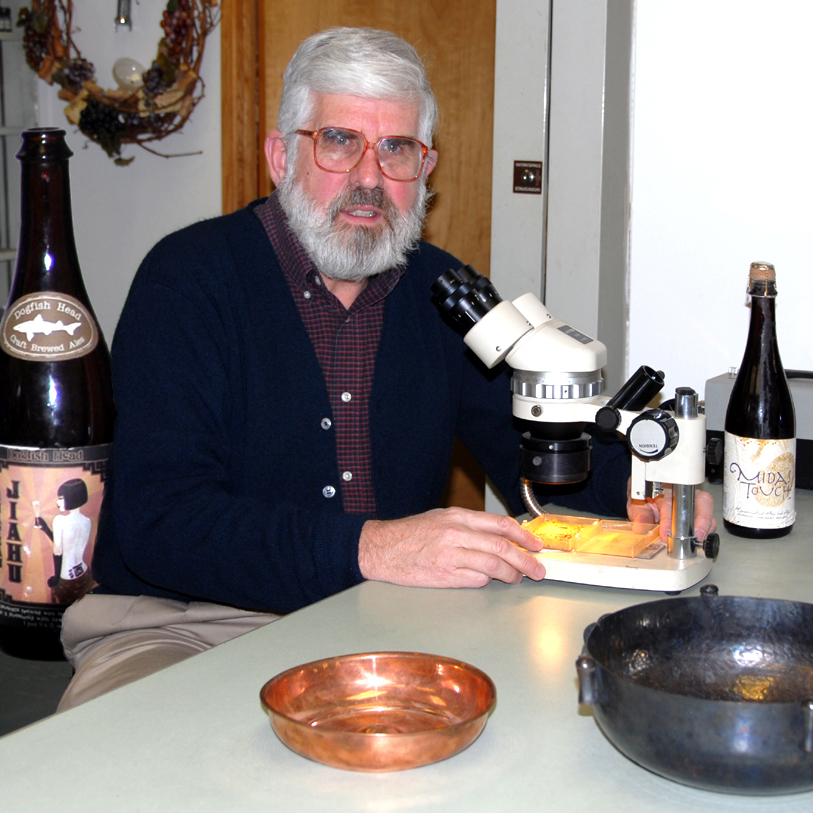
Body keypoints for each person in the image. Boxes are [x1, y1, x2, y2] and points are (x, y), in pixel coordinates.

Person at [57, 27, 716, 710]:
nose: (370, 178)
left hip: (389, 621)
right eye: (340, 141)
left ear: (424, 170)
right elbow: (160, 524)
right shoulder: (188, 282)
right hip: (188, 624)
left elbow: (537, 449)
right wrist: (371, 547)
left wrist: (646, 490)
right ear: (281, 157)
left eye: (397, 149)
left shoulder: (446, 293)